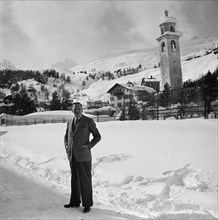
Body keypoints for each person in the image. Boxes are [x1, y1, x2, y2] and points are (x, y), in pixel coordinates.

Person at [64, 102, 101, 213]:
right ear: (72, 110)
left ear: (82, 109)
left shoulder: (88, 121)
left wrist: (89, 146)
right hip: (72, 155)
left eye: (79, 109)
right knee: (74, 180)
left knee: (85, 180)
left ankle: (87, 204)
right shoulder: (70, 122)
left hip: (84, 156)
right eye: (75, 109)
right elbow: (66, 136)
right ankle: (75, 202)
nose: (77, 110)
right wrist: (66, 145)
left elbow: (98, 136)